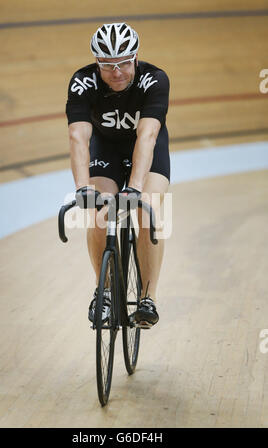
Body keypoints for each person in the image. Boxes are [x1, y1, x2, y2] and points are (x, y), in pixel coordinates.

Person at [66, 22, 170, 328]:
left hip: (147, 147)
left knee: (146, 210)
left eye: (124, 62)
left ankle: (148, 297)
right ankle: (105, 292)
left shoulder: (155, 79)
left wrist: (135, 189)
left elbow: (149, 135)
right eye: (108, 65)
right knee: (100, 212)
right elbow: (78, 137)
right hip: (106, 150)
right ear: (96, 63)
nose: (117, 72)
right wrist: (82, 187)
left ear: (136, 58)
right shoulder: (81, 82)